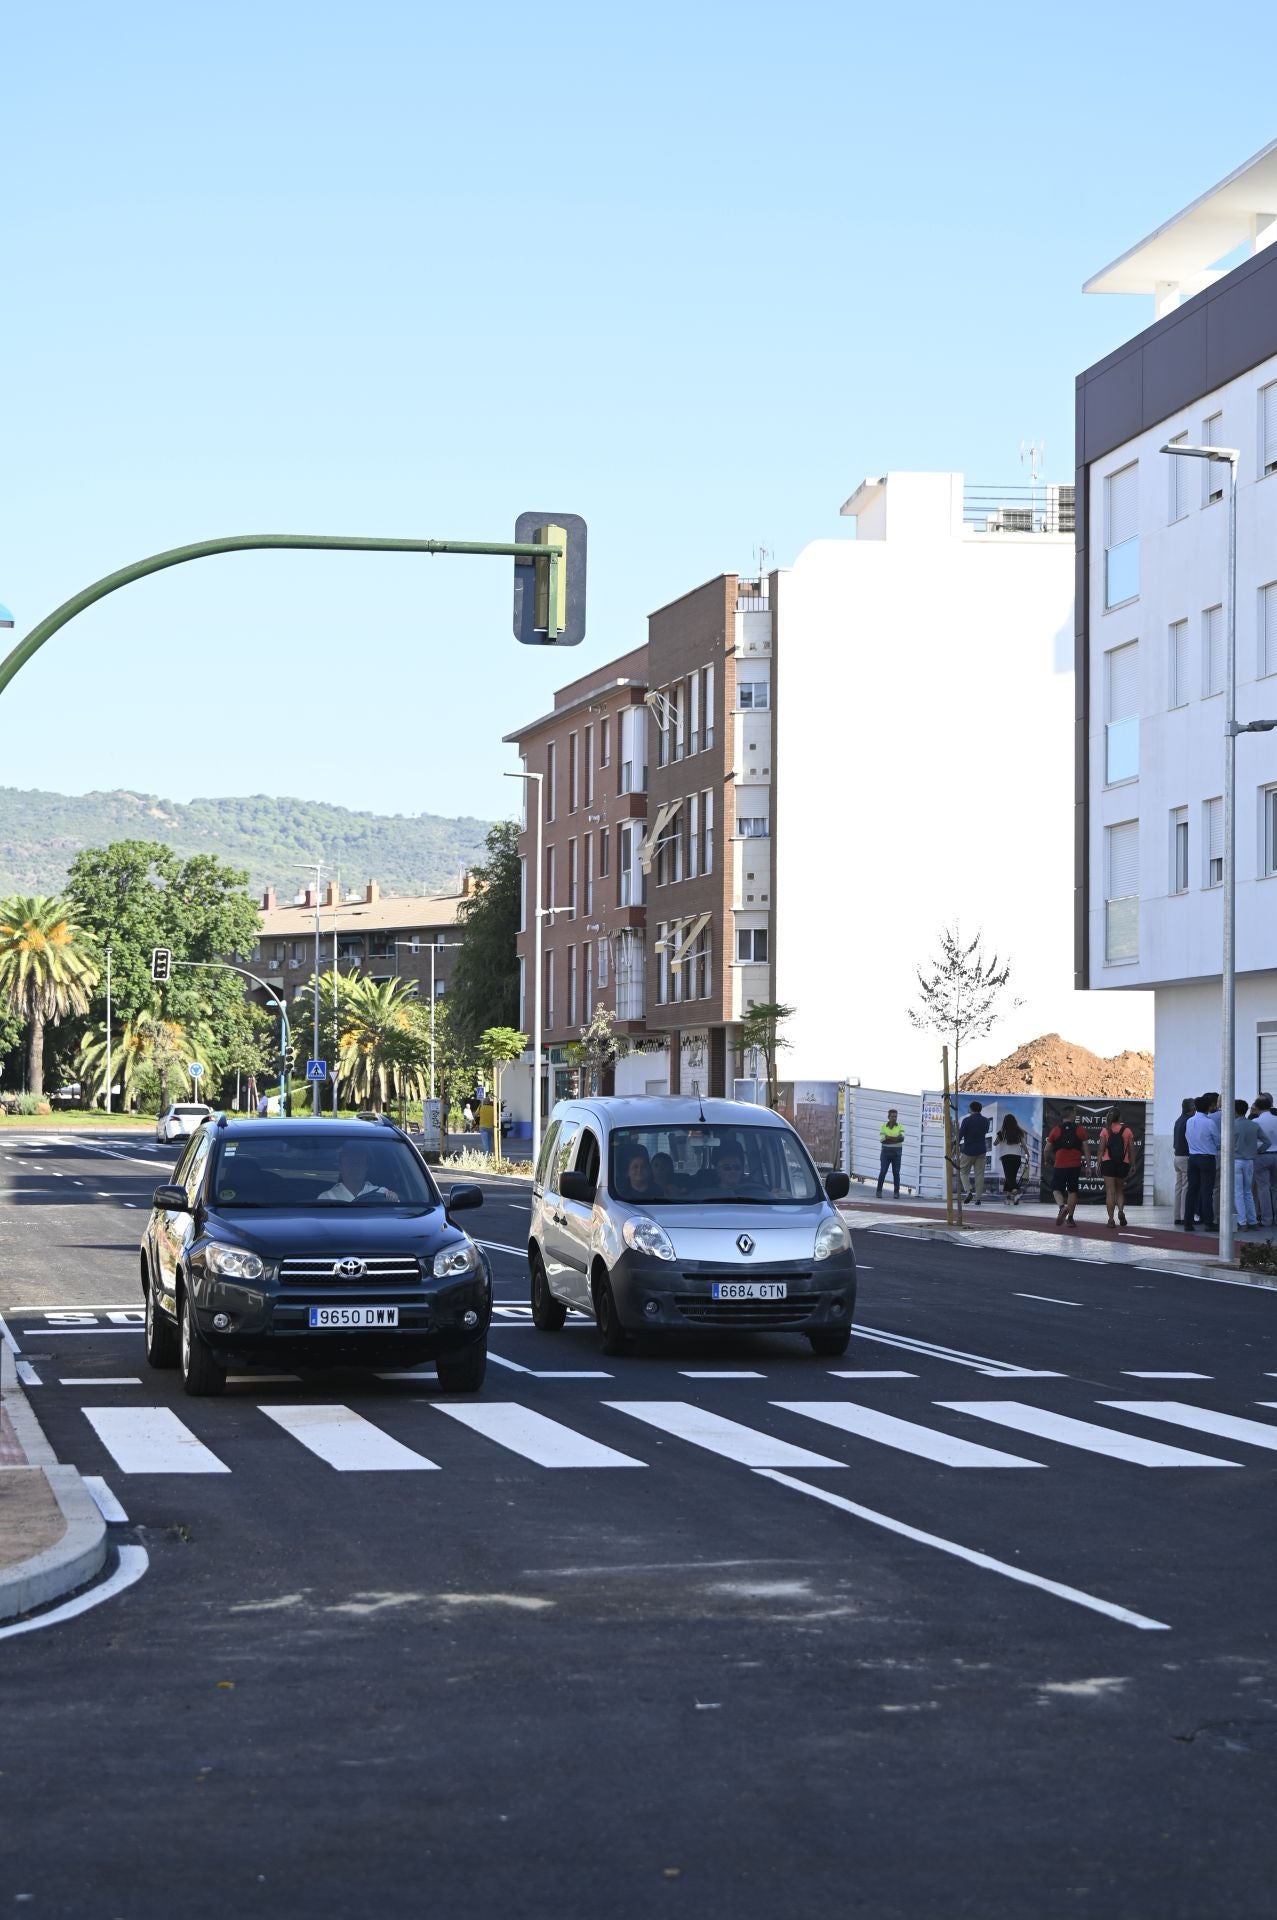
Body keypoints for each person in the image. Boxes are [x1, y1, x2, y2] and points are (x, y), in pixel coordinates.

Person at [1183, 1093, 1220, 1234]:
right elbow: (1217, 1141)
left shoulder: (1189, 1121)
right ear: (1209, 1107)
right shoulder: (1209, 1122)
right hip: (1207, 1158)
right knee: (1206, 1191)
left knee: (1191, 1191)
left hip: (1193, 1158)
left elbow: (1187, 1137)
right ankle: (1209, 1223)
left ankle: (1188, 1222)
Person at [1045, 1108, 1088, 1228]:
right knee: (1072, 1191)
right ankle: (1070, 1218)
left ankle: (1061, 1207)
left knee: (1056, 1189)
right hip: (1075, 1165)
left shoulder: (1056, 1130)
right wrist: (1088, 1164)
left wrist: (1045, 1159)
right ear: (1072, 1115)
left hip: (1060, 1164)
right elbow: (1086, 1149)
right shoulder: (1080, 1129)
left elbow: (1047, 1149)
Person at [318, 1145, 400, 1204]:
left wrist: (393, 1199)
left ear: (366, 1167)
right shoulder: (326, 1198)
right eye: (349, 1163)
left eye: (359, 1163)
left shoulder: (381, 1193)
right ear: (341, 1167)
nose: (355, 1167)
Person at [1098, 1109, 1134, 1229]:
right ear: (1120, 1118)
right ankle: (1120, 1211)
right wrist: (1132, 1164)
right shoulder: (1127, 1131)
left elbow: (1101, 1149)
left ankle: (1111, 1219)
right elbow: (1131, 1150)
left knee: (1110, 1192)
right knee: (1119, 1190)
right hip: (1122, 1163)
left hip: (1108, 1163)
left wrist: (1098, 1163)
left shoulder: (1105, 1130)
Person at [1233, 1099, 1262, 1232]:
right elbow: (1266, 1141)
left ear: (1235, 1111)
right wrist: (1257, 1151)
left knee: (1238, 1193)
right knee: (1248, 1192)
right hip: (1250, 1161)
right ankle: (1253, 1221)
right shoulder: (1253, 1125)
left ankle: (1242, 1222)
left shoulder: (1232, 1125)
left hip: (1236, 1161)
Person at [957, 1101, 991, 1206]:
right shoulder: (986, 1121)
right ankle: (978, 1199)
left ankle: (968, 1191)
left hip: (968, 1150)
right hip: (981, 1150)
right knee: (979, 1175)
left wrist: (955, 1145)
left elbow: (960, 1135)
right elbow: (985, 1132)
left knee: (963, 1172)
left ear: (971, 1109)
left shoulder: (966, 1120)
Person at [1252, 1094, 1277, 1230]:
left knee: (1263, 1188)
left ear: (1257, 1107)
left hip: (1262, 1156)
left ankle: (1267, 1219)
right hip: (1276, 1155)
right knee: (1275, 1188)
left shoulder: (1256, 1122)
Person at [1171, 1097, 1194, 1224]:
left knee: (1179, 1187)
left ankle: (1177, 1216)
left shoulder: (1178, 1120)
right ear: (1192, 1109)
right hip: (1185, 1157)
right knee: (1186, 1187)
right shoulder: (1189, 1121)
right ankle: (1185, 1216)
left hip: (1177, 1156)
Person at [994, 1113, 1026, 1206]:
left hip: (1006, 1157)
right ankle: (1008, 1198)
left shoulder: (1002, 1132)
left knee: (1009, 1176)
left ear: (1005, 1122)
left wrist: (999, 1136)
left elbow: (995, 1143)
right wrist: (1027, 1154)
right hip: (1017, 1157)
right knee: (1011, 1177)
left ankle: (1017, 1192)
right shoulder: (1018, 1132)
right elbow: (1024, 1145)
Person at [877, 1109, 905, 1199]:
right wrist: (895, 1138)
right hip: (885, 1153)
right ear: (888, 1117)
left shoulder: (900, 1126)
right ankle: (878, 1191)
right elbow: (882, 1140)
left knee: (896, 1173)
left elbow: (901, 1139)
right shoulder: (883, 1126)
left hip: (897, 1154)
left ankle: (896, 1192)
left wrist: (889, 1137)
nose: (894, 1118)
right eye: (892, 1116)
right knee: (883, 1171)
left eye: (895, 1116)